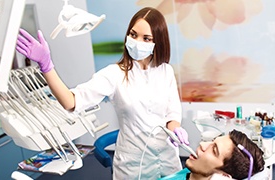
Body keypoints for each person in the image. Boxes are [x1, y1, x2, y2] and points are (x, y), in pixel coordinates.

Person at [16, 7, 189, 179]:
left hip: (168, 163)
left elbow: (172, 113)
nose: (137, 42)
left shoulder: (166, 71)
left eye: (146, 38)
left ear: (157, 42)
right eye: (133, 34)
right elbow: (71, 101)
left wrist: (176, 129)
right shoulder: (114, 74)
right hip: (134, 167)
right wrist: (47, 66)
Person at [160, 129, 265, 180]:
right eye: (212, 141)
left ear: (223, 176)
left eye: (214, 150)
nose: (202, 144)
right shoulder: (192, 172)